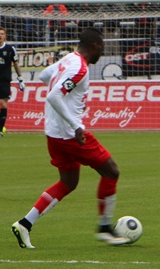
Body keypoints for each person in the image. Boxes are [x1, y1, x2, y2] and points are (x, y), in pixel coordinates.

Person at [10, 28, 130, 249]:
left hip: (53, 133)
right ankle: (104, 228)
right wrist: (76, 126)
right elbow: (54, 94)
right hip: (69, 135)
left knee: (68, 182)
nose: (101, 53)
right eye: (101, 48)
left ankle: (25, 224)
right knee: (111, 171)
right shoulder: (80, 68)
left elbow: (45, 75)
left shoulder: (68, 59)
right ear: (94, 46)